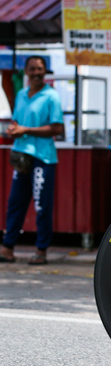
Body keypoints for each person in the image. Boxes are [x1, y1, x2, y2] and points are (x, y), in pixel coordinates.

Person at [0, 56, 63, 265]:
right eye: (33, 69)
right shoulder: (21, 94)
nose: (37, 73)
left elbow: (58, 128)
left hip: (43, 157)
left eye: (40, 69)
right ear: (26, 71)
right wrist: (14, 128)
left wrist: (26, 129)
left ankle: (41, 249)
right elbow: (17, 120)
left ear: (45, 72)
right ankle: (8, 247)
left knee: (41, 205)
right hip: (21, 156)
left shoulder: (51, 96)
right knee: (15, 202)